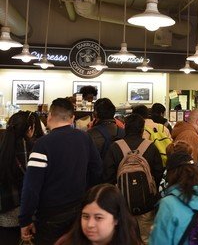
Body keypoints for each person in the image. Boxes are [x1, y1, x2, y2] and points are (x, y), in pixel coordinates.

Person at [19, 98, 102, 245]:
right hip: (78, 210)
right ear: (72, 118)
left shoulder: (42, 144)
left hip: (50, 216)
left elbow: (31, 186)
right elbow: (96, 170)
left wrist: (25, 219)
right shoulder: (84, 138)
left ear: (49, 116)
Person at [102, 113, 163, 243]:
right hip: (147, 204)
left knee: (122, 238)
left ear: (125, 127)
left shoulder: (115, 147)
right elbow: (158, 174)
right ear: (142, 129)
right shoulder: (151, 147)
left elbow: (107, 176)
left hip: (121, 204)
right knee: (145, 238)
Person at [0, 111, 43, 243]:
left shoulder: (3, 144)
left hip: (4, 212)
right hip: (24, 214)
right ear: (30, 129)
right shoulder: (31, 147)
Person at [55, 184, 143, 245]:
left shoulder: (132, 242)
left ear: (116, 219)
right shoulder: (66, 242)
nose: (90, 224)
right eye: (85, 216)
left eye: (98, 218)